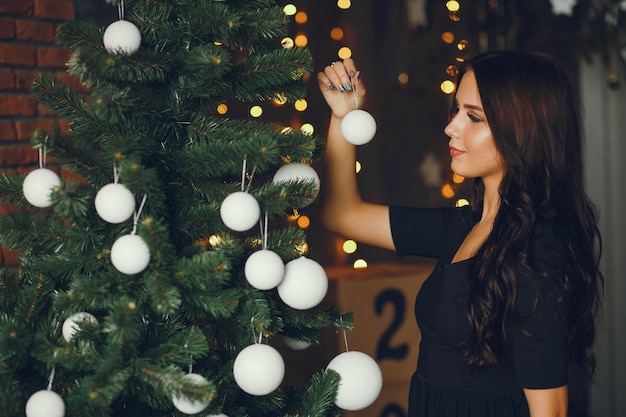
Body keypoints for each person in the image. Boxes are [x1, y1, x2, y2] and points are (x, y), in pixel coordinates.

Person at [316, 50, 603, 417]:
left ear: (522, 129)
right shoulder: (463, 226)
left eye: (473, 117)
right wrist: (344, 116)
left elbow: (551, 410)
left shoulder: (538, 251)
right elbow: (342, 214)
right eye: (456, 111)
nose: (451, 127)